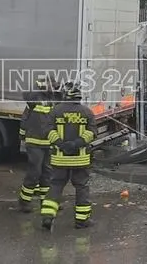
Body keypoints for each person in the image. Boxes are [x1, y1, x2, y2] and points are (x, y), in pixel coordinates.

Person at [40, 82, 98, 230]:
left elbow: (48, 131)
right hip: (81, 159)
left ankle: (48, 216)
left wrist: (61, 144)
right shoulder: (87, 112)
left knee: (56, 185)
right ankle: (81, 221)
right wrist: (76, 144)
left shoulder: (55, 111)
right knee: (81, 187)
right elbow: (92, 133)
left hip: (59, 158)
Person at [17, 75, 59, 213]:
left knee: (47, 173)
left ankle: (45, 202)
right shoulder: (35, 98)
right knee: (35, 172)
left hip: (48, 142)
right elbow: (26, 97)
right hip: (34, 142)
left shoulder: (53, 99)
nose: (53, 87)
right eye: (51, 85)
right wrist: (22, 136)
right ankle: (24, 202)